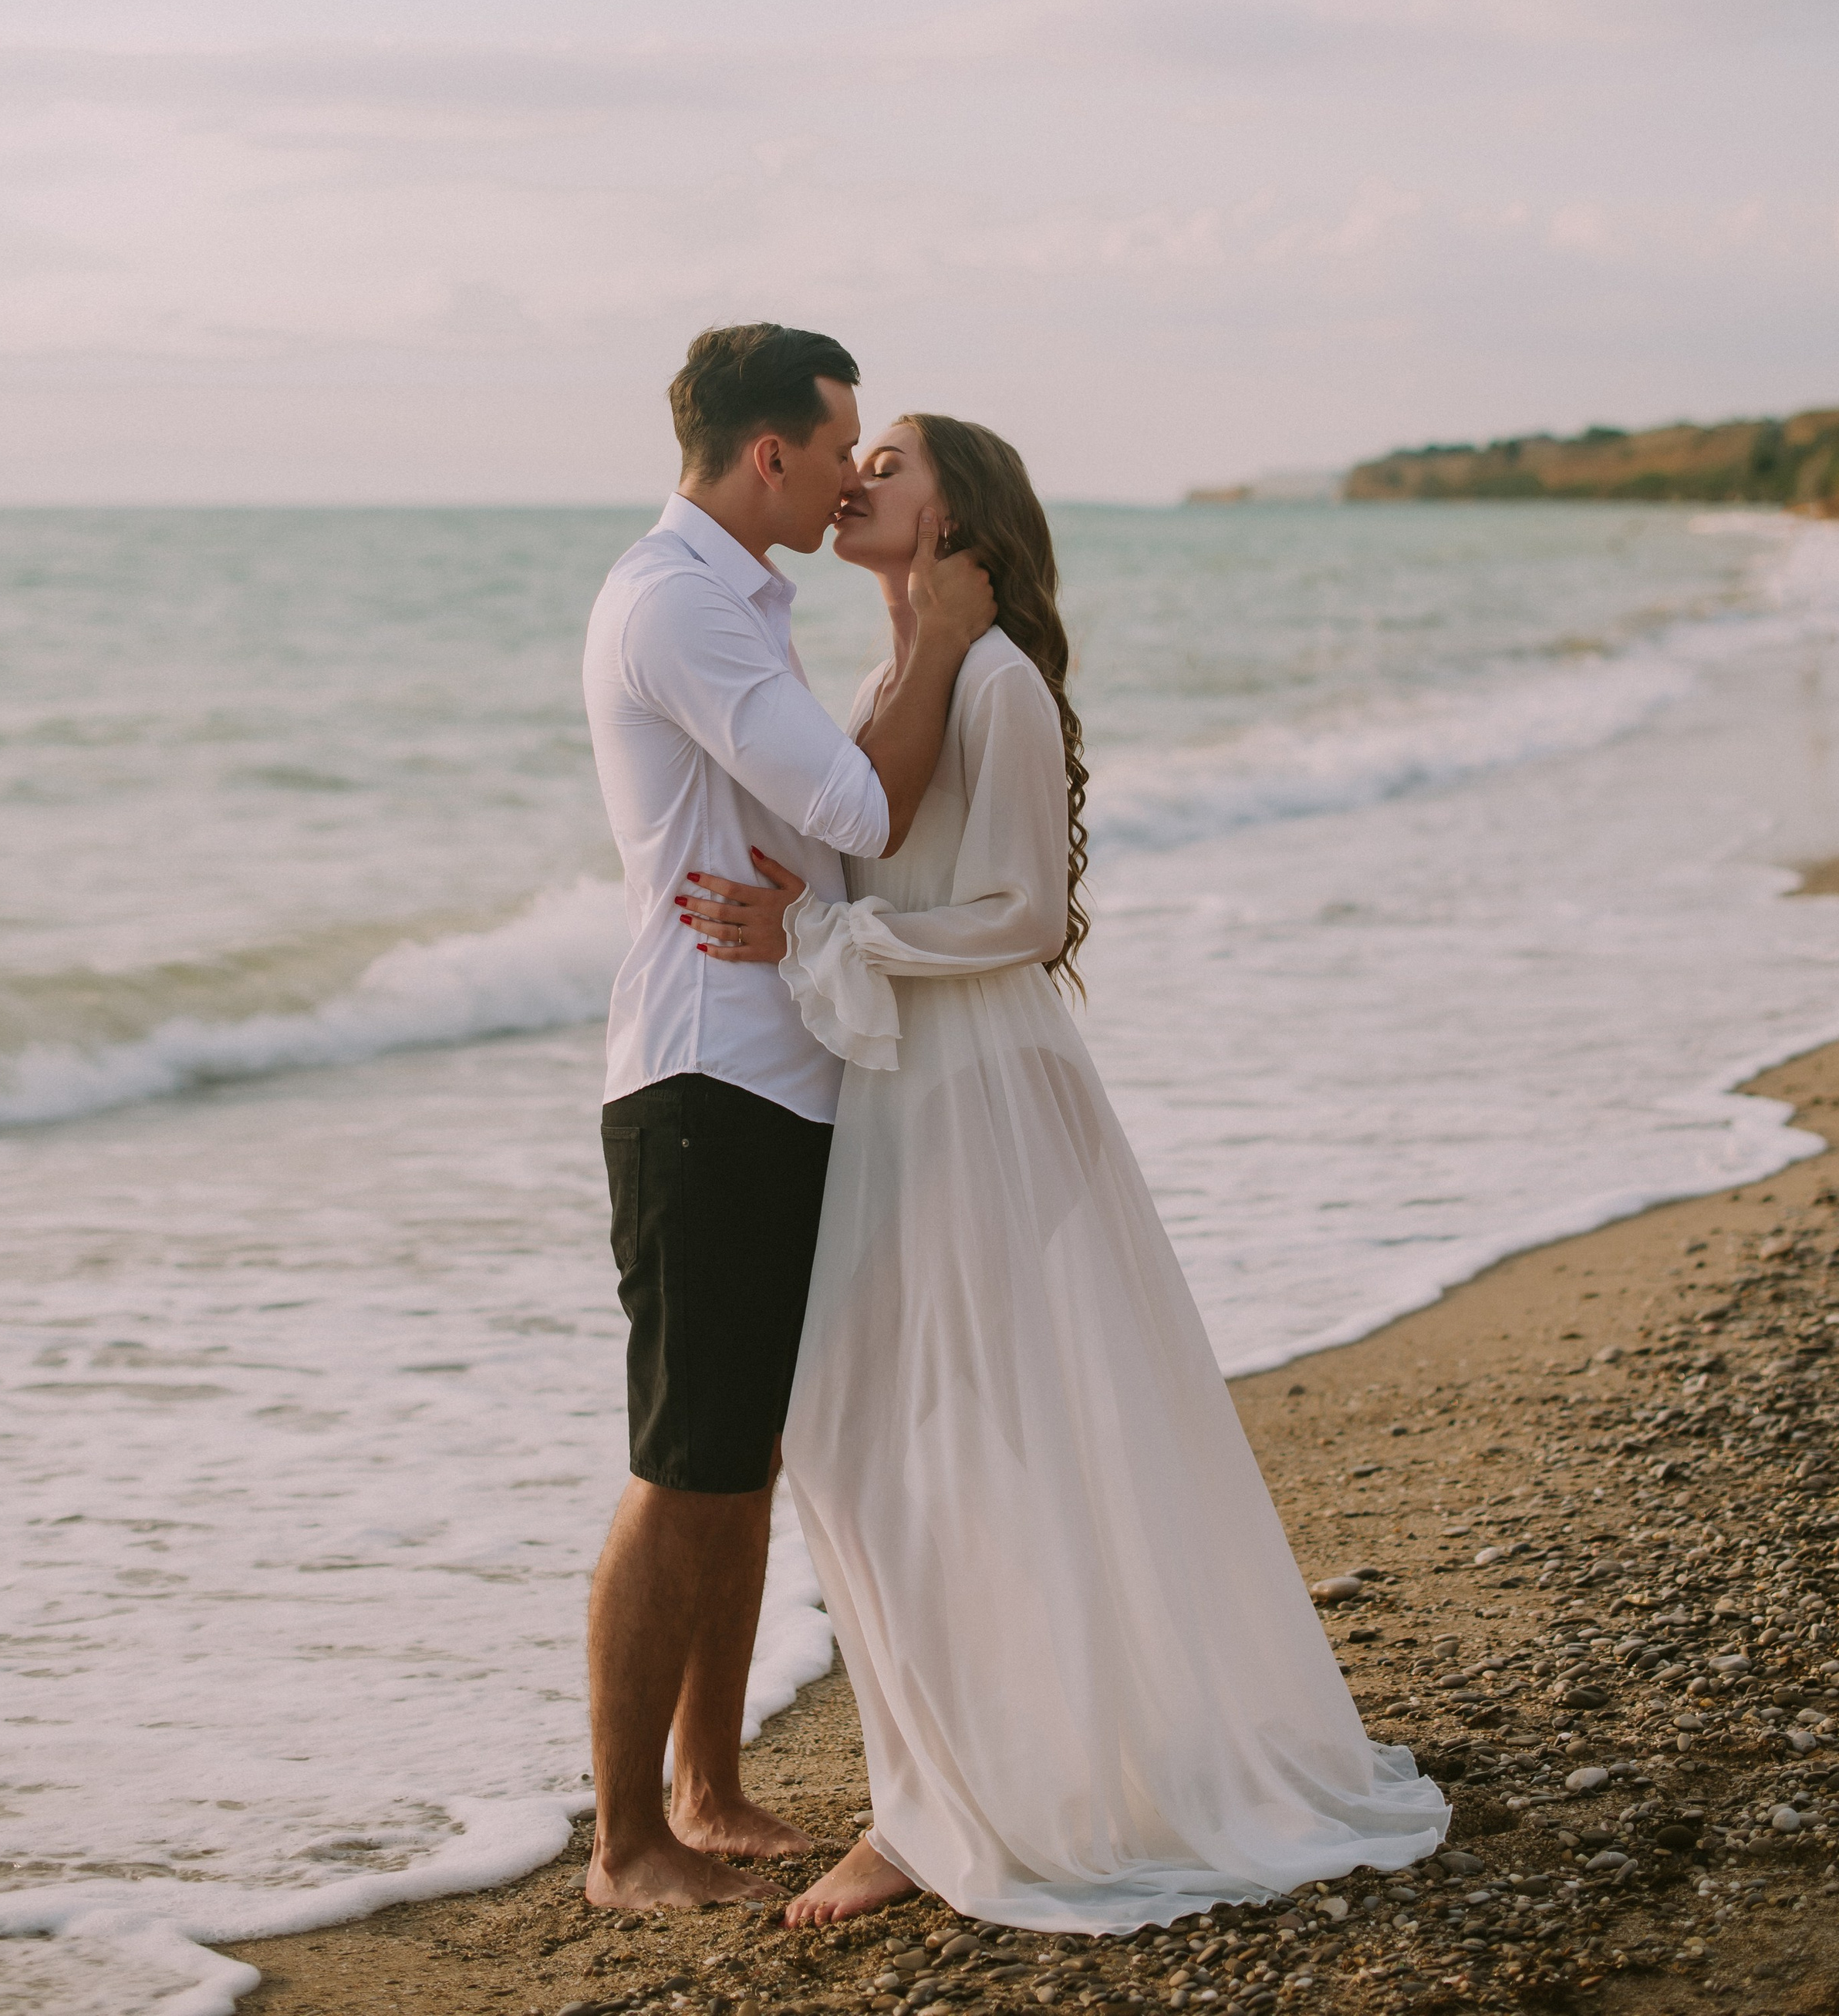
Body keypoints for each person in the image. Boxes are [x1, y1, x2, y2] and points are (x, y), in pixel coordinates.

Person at [678, 416, 1448, 1933]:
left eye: (892, 461)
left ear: (961, 512)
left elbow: (1025, 913)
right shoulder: (901, 673)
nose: (861, 476)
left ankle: (943, 1806)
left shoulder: (997, 678)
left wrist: (824, 937)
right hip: (908, 1091)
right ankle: (952, 1783)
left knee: (934, 1438)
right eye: (860, 452)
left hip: (984, 1096)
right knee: (870, 1439)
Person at [579, 331, 994, 1914]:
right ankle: (627, 1843)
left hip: (771, 1061)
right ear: (767, 453)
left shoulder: (736, 596)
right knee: (685, 1461)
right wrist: (940, 631)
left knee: (738, 1453)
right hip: (702, 1080)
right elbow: (857, 807)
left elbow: (818, 838)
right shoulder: (678, 602)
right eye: (835, 451)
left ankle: (709, 1785)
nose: (847, 477)